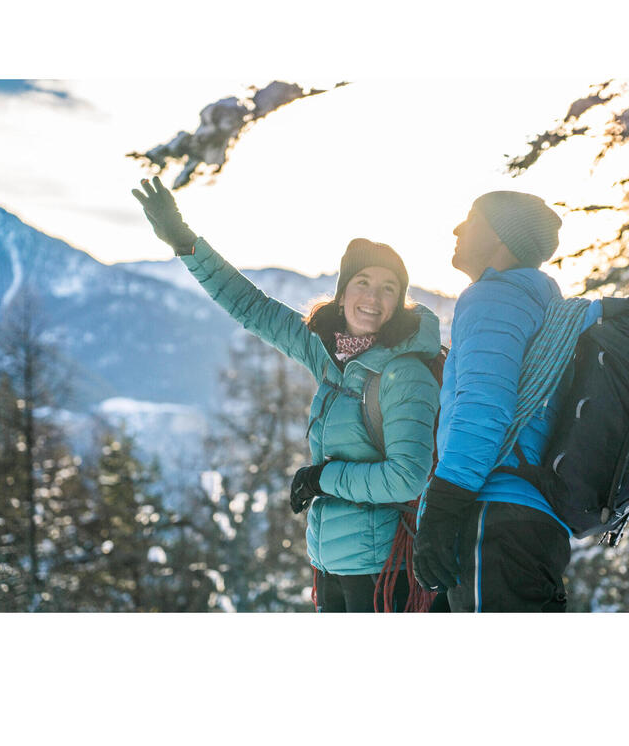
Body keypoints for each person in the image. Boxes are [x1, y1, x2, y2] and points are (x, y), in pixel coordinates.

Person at [132, 177, 441, 612]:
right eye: (363, 282)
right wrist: (184, 242)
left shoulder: (404, 373)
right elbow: (253, 308)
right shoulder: (330, 354)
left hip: (384, 571)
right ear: (343, 291)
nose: (372, 297)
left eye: (388, 287)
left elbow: (406, 477)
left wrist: (321, 478)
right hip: (333, 563)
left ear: (399, 302)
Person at [413, 190, 573, 612]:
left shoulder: (496, 297)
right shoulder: (535, 301)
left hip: (494, 515)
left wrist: (442, 508)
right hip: (526, 518)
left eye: (471, 218)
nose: (457, 229)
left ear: (501, 237)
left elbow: (483, 410)